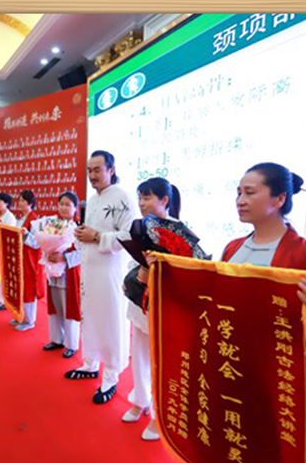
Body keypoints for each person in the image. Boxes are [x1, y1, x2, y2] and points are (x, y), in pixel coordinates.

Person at [122, 178, 208, 440]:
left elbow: (191, 273)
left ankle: (160, 416)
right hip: (141, 302)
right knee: (139, 355)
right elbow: (134, 260)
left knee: (162, 361)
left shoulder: (180, 232)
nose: (141, 203)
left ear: (164, 200)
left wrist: (160, 269)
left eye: (147, 197)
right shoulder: (141, 227)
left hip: (165, 306)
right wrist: (137, 274)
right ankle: (140, 400)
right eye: (139, 197)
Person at [222, 162, 306, 344]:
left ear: (279, 199)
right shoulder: (232, 248)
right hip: (228, 351)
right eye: (239, 193)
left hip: (277, 356)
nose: (240, 201)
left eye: (250, 193)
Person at [67, 150, 137, 404]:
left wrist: (97, 237)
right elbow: (90, 234)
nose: (92, 175)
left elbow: (129, 236)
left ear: (111, 170)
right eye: (89, 170)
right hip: (90, 269)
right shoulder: (93, 200)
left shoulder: (122, 197)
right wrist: (82, 236)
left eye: (97, 170)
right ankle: (90, 363)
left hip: (109, 272)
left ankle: (111, 375)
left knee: (110, 320)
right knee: (91, 317)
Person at [40, 192, 81, 357]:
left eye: (68, 204)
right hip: (53, 272)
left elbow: (82, 253)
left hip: (69, 273)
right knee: (55, 305)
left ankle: (71, 343)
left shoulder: (78, 229)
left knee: (68, 307)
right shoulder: (53, 226)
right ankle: (56, 339)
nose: (63, 207)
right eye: (61, 204)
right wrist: (48, 253)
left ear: (75, 208)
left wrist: (63, 257)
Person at [13, 190, 45, 331]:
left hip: (30, 259)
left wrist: (26, 236)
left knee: (29, 288)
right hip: (21, 258)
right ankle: (21, 315)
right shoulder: (21, 219)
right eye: (19, 200)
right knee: (20, 287)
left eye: (23, 201)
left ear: (30, 204)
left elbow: (37, 243)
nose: (20, 203)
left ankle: (29, 319)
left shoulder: (34, 221)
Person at [0, 193, 18, 311]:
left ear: (7, 204)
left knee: (5, 277)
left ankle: (5, 301)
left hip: (7, 251)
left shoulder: (10, 218)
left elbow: (9, 234)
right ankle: (0, 300)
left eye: (0, 201)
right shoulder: (0, 217)